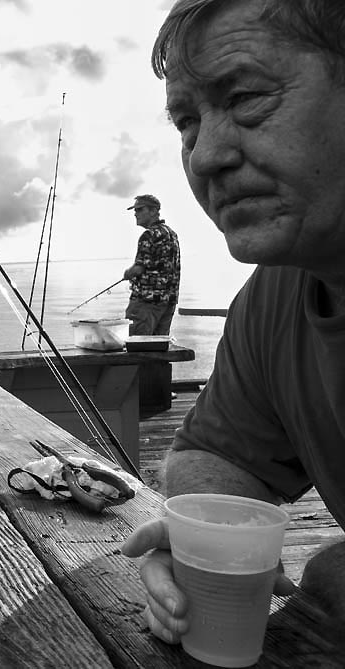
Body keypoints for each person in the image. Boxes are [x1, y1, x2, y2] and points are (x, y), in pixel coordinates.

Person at [120, 0, 345, 643]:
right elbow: (212, 453)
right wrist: (208, 534)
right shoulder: (274, 295)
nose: (205, 156)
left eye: (246, 97)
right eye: (187, 123)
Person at [122, 194, 181, 336]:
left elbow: (138, 268)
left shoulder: (148, 236)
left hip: (145, 303)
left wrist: (127, 273)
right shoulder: (171, 234)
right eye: (135, 211)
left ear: (154, 211)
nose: (136, 214)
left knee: (137, 347)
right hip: (168, 302)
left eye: (140, 209)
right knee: (159, 348)